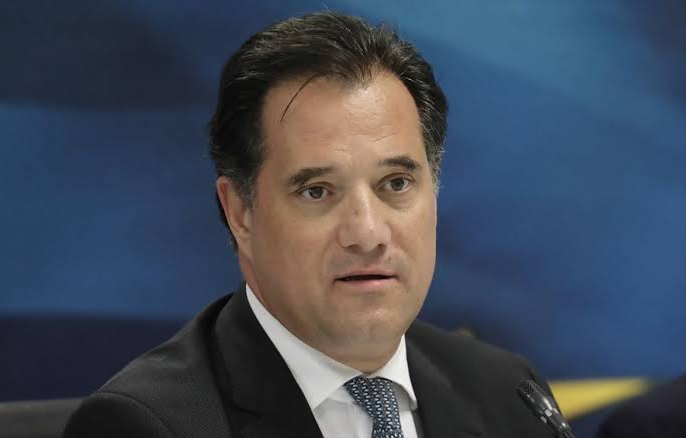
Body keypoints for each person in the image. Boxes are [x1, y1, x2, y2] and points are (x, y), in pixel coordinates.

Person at [64, 12, 556, 438]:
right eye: (317, 191)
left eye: (396, 184)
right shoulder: (147, 425)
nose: (368, 233)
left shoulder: (509, 395)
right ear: (240, 213)